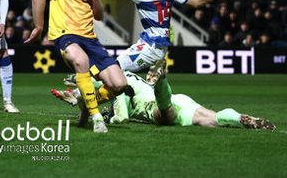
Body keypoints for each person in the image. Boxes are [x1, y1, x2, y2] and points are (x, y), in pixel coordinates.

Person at [25, 0, 126, 133]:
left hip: (91, 40)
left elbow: (99, 16)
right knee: (81, 60)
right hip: (66, 35)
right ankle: (97, 118)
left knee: (119, 84)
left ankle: (86, 100)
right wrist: (38, 27)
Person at [93, 0, 215, 75]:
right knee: (156, 87)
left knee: (114, 69)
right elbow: (195, 2)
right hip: (158, 45)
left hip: (151, 46)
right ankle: (158, 75)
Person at [52, 66, 275, 131]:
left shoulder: (117, 88)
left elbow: (121, 117)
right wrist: (76, 99)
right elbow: (92, 94)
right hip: (181, 99)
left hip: (153, 106)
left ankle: (161, 80)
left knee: (164, 113)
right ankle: (241, 118)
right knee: (213, 119)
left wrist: (104, 118)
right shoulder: (123, 76)